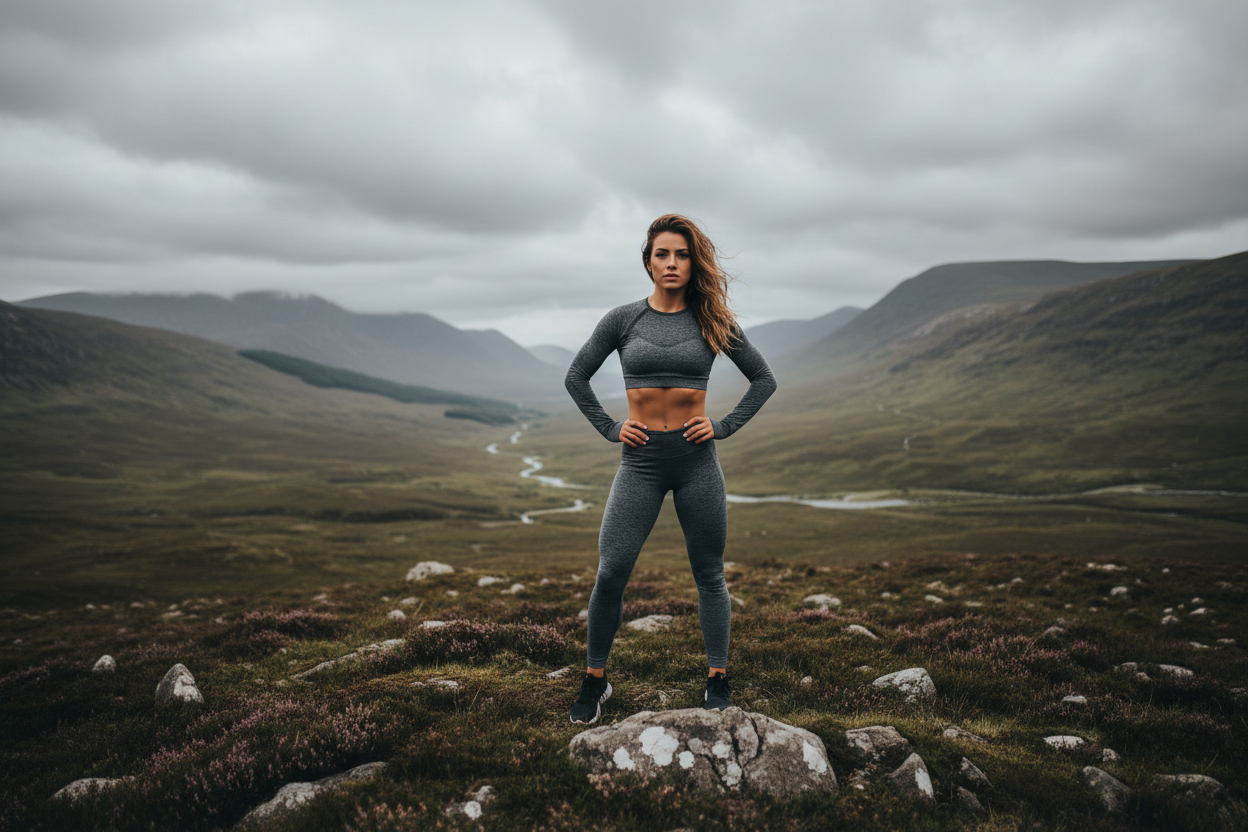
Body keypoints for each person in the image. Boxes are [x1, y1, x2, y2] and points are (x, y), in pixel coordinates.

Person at [564, 213, 777, 724]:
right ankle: (595, 679)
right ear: (648, 262)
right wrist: (610, 427)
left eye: (682, 254)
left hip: (696, 462)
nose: (672, 263)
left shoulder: (712, 320)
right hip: (639, 463)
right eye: (663, 254)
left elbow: (763, 380)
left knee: (709, 574)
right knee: (611, 572)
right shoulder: (623, 320)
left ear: (693, 262)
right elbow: (576, 377)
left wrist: (722, 426)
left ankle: (717, 677)